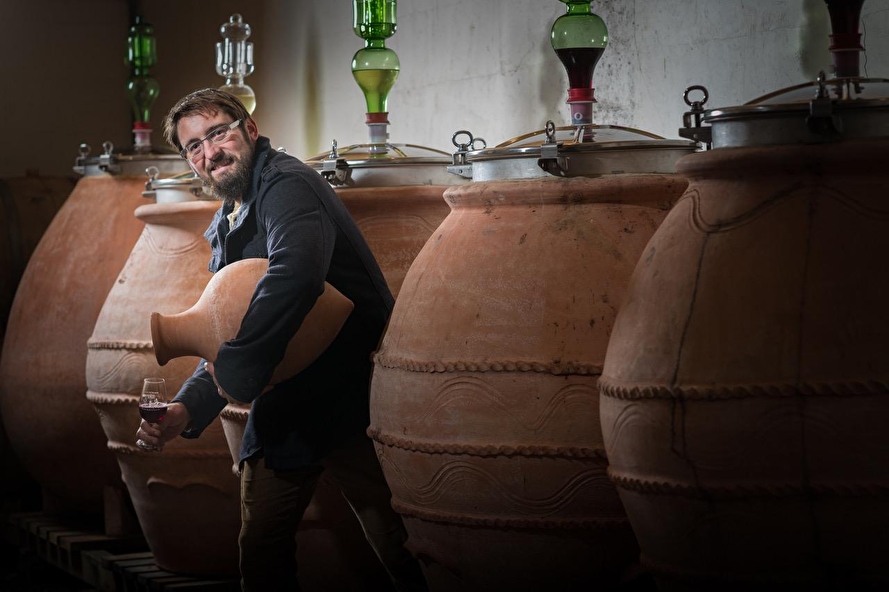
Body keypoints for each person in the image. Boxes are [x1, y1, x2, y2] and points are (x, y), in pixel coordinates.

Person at [136, 88, 427, 592]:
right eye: (194, 146)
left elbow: (295, 275)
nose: (210, 152)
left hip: (350, 391)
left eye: (218, 132)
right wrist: (187, 408)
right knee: (261, 549)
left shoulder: (288, 184)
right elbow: (231, 329)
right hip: (287, 395)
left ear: (250, 130)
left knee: (396, 541)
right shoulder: (228, 218)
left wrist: (239, 372)